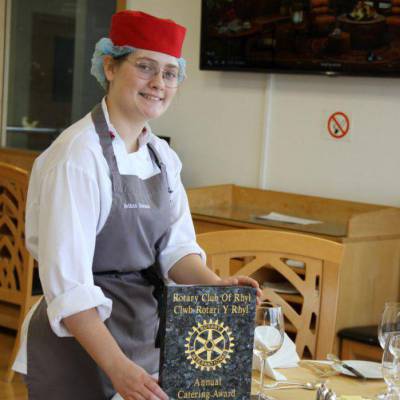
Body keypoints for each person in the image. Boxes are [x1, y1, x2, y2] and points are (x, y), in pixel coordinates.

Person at [13, 10, 261, 400]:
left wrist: (215, 285)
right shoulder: (77, 158)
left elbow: (175, 249)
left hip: (142, 340)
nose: (158, 83)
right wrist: (117, 367)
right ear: (110, 66)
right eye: (145, 67)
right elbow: (70, 288)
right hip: (78, 350)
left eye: (169, 72)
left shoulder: (161, 155)